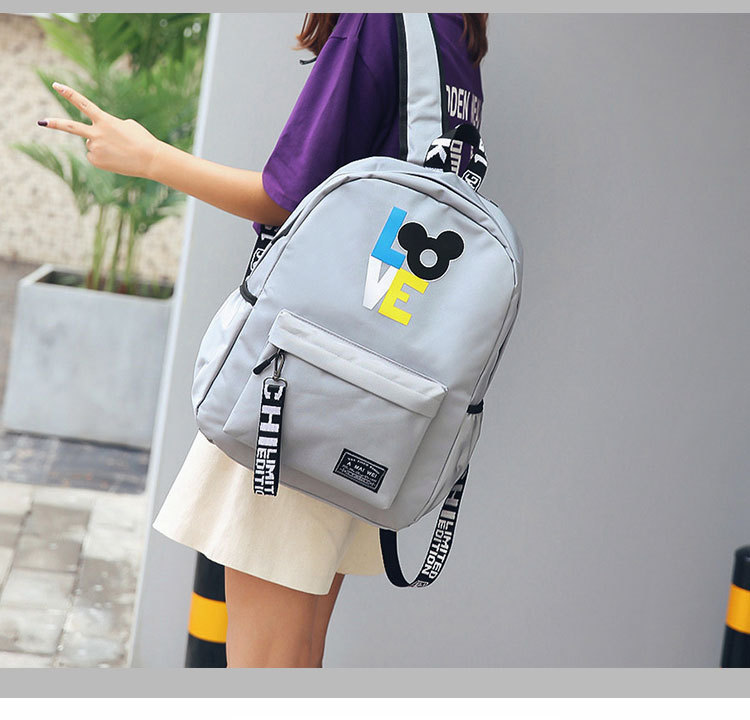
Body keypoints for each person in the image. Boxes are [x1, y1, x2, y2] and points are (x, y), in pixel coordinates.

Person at [38, 12, 488, 668]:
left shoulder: (376, 20)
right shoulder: (450, 35)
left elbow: (286, 197)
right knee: (295, 654)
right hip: (376, 393)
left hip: (305, 385)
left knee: (268, 664)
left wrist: (149, 157)